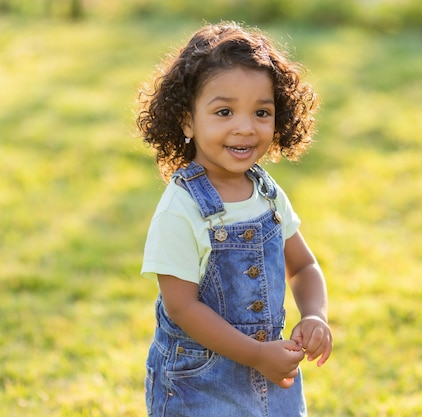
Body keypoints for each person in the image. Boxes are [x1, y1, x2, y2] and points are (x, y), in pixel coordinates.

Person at [137, 21, 333, 416]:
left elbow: (304, 266)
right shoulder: (182, 207)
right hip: (199, 385)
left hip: (271, 374)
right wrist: (256, 354)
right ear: (187, 121)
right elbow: (182, 308)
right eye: (224, 111)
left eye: (261, 112)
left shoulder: (267, 193)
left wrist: (314, 315)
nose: (245, 127)